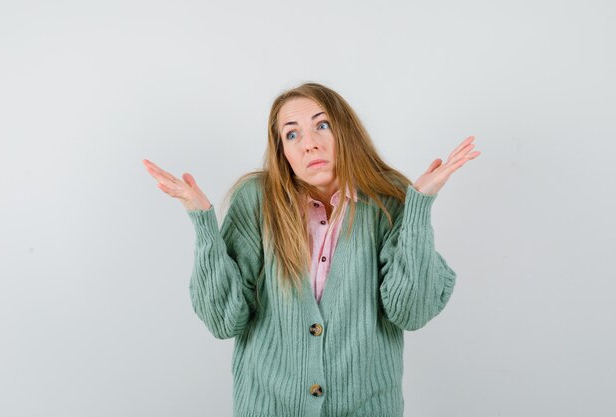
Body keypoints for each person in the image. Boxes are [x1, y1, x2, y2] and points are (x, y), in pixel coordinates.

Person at [143, 82, 480, 417]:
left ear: (345, 132)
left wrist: (419, 206)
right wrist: (201, 219)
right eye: (292, 135)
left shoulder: (388, 199)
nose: (309, 145)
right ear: (282, 152)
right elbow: (223, 321)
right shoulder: (257, 200)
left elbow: (412, 311)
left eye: (322, 125)